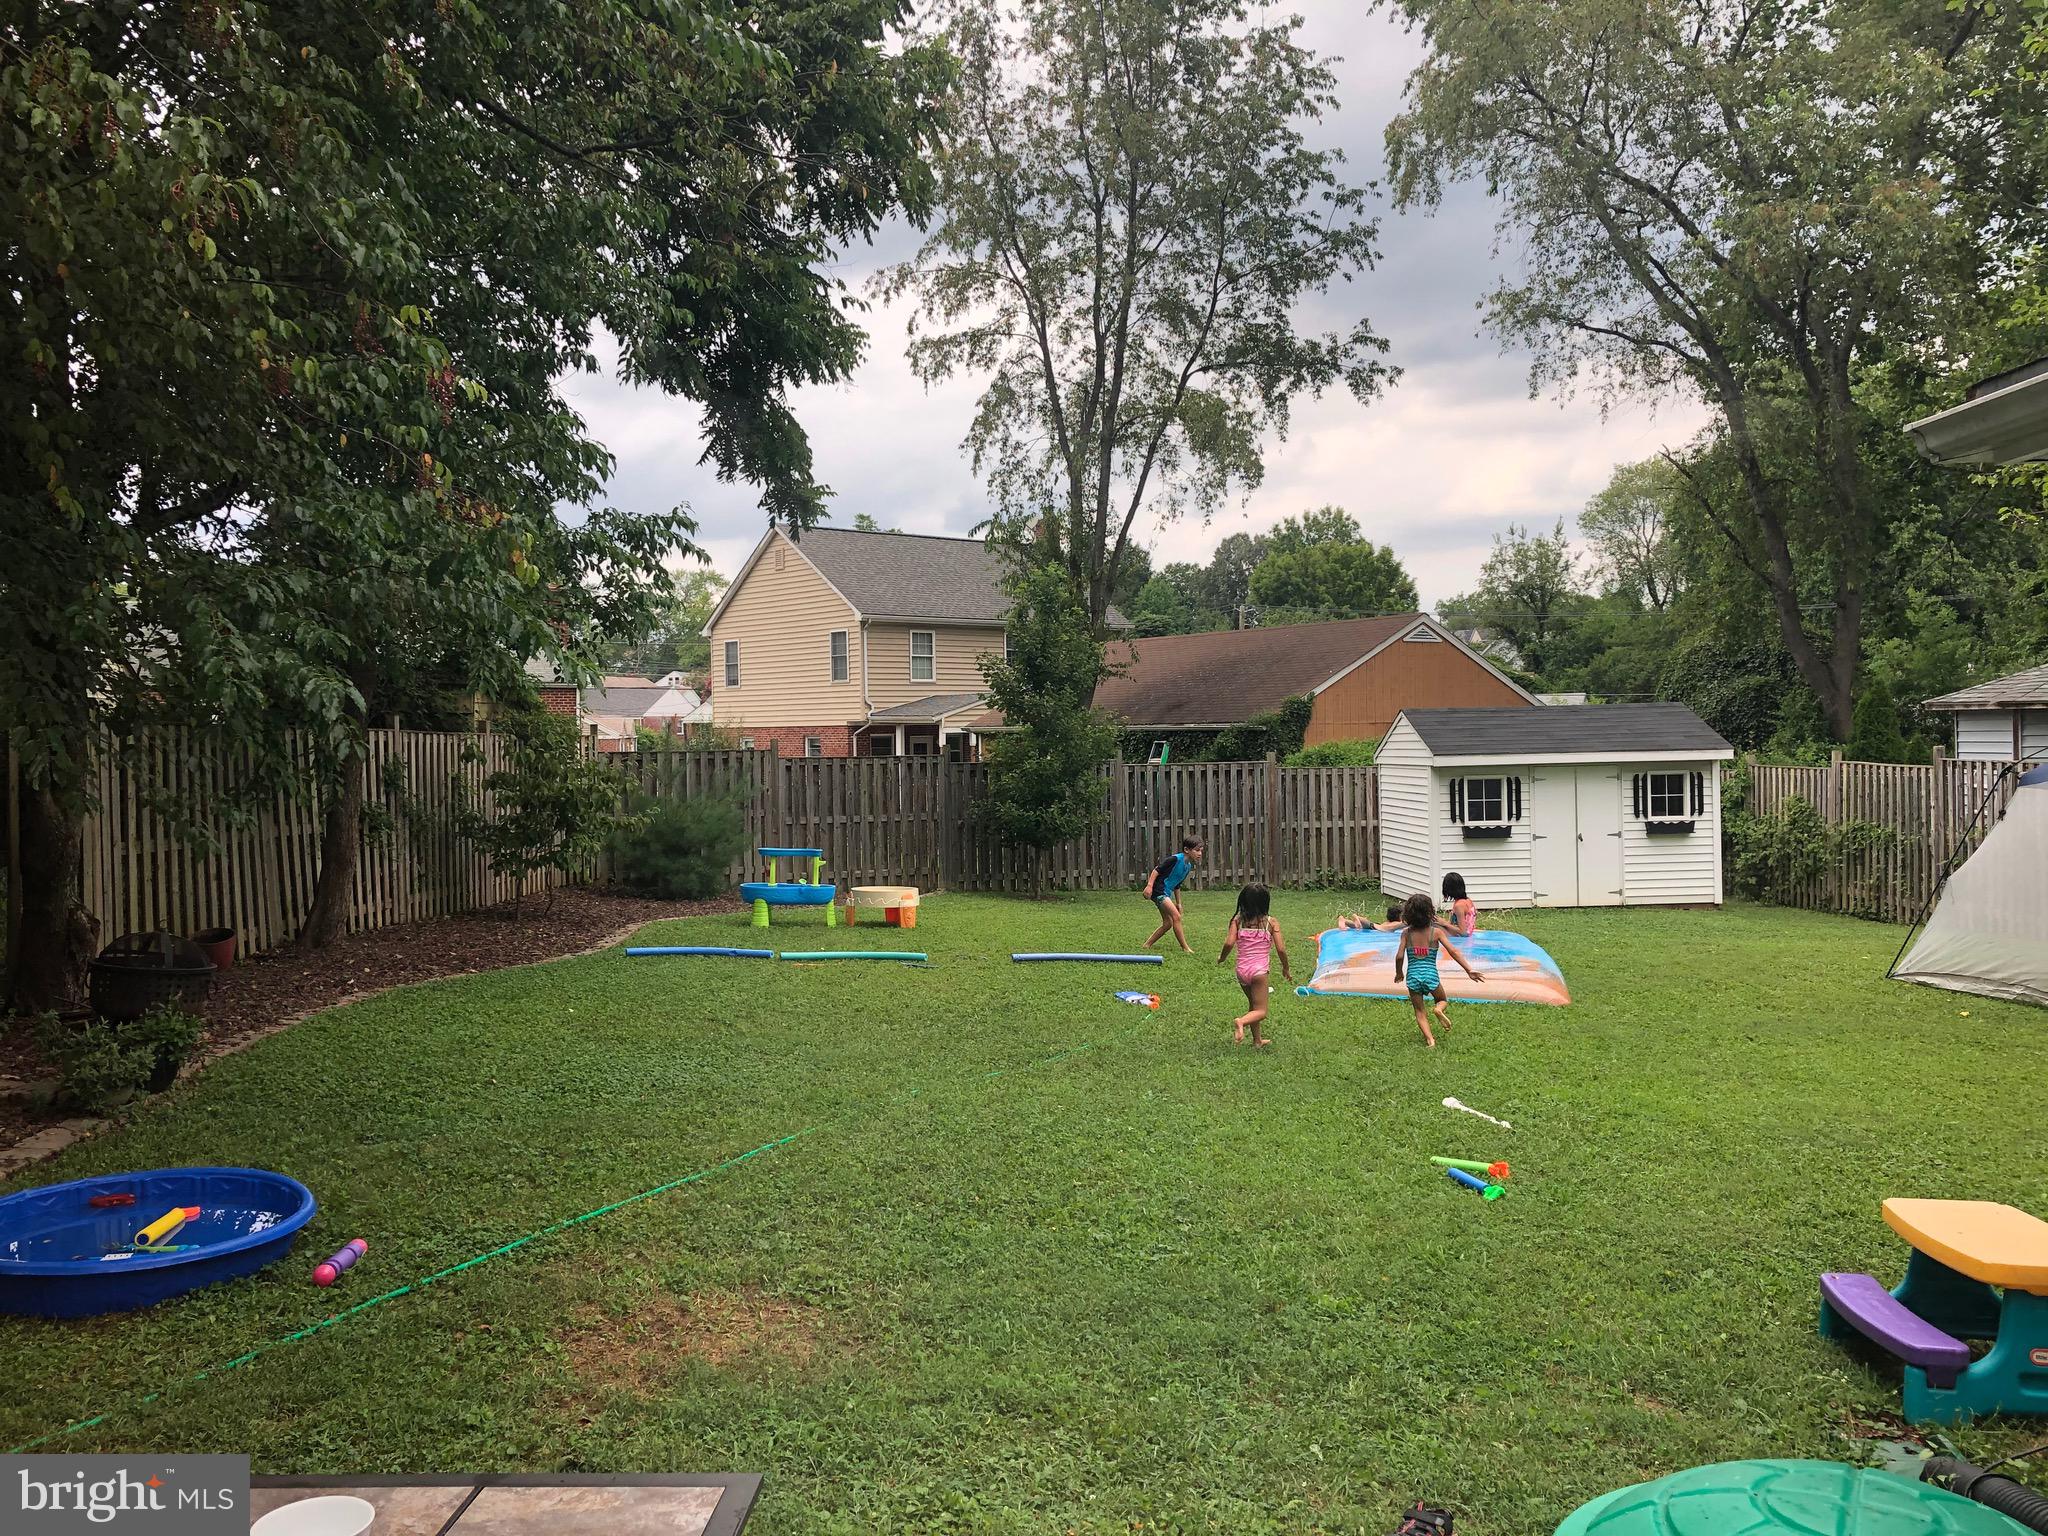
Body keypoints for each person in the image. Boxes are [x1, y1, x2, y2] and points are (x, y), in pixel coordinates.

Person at [1392, 891, 1483, 1048]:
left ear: (1408, 914)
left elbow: (1399, 956)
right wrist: (1468, 969)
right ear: (1430, 913)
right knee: (1442, 1000)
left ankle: (1430, 1040)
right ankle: (1439, 1010)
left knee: (1420, 1012)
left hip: (1413, 977)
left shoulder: (1406, 934)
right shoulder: (1437, 933)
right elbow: (1453, 951)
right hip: (1431, 976)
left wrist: (1399, 973)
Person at [1218, 882, 1290, 1046]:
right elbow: (1281, 949)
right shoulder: (1271, 923)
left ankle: (1257, 1040)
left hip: (1242, 971)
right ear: (1265, 902)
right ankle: (1241, 1022)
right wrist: (1285, 967)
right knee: (1261, 1011)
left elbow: (1229, 944)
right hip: (1259, 972)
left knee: (1254, 1005)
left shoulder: (1237, 921)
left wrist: (1222, 958)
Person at [1143, 836, 1203, 953]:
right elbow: (1157, 870)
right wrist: (1149, 886)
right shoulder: (1174, 859)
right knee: (1176, 917)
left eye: (1201, 850)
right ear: (1187, 849)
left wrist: (1179, 903)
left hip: (1166, 893)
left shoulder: (1188, 866)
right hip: (1159, 891)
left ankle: (1147, 945)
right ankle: (1185, 948)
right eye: (1197, 850)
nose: (1199, 853)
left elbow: (1177, 885)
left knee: (1168, 923)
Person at [1440, 872, 1478, 937]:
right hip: (1469, 936)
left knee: (1433, 927)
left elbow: (1463, 932)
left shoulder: (1459, 905)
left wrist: (1444, 924)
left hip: (1460, 939)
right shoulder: (1468, 900)